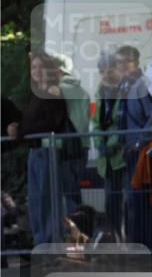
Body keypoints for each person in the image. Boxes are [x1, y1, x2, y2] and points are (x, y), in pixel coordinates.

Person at [16, 54, 85, 245]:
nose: (36, 71)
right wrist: (18, 127)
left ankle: (50, 243)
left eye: (40, 67)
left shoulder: (54, 92)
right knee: (36, 202)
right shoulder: (34, 93)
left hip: (48, 152)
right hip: (34, 152)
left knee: (47, 202)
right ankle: (41, 243)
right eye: (33, 67)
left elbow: (51, 123)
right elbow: (29, 121)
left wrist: (22, 130)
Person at [115, 45, 152, 248]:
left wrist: (138, 142)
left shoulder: (142, 85)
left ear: (136, 62)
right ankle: (143, 246)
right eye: (119, 62)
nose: (122, 66)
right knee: (135, 204)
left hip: (142, 153)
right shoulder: (124, 85)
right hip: (130, 153)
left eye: (126, 62)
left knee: (145, 205)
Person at [93, 53, 126, 239]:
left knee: (127, 202)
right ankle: (116, 238)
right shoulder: (101, 90)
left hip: (122, 155)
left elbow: (122, 122)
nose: (106, 74)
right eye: (102, 71)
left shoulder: (125, 89)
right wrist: (99, 144)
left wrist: (112, 144)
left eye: (110, 69)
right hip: (106, 158)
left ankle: (129, 239)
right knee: (111, 202)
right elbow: (96, 122)